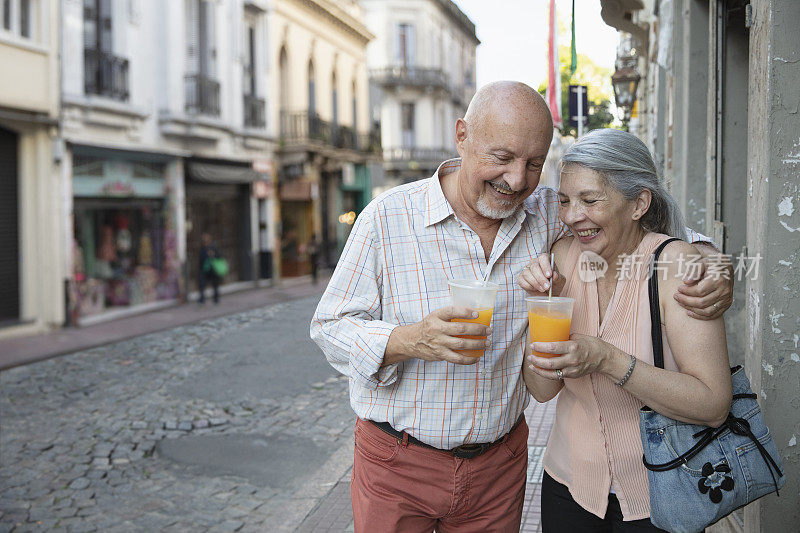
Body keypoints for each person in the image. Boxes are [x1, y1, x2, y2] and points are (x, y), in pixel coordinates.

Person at [311, 82, 732, 532]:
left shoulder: (550, 210)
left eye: (534, 163)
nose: (516, 180)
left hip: (499, 467)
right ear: (462, 136)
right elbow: (330, 326)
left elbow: (629, 221)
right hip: (398, 460)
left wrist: (710, 261)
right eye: (502, 157)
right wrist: (410, 340)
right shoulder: (387, 217)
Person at [518, 128, 733, 532]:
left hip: (664, 490)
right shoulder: (562, 259)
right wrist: (539, 313)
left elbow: (713, 404)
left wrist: (607, 359)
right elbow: (542, 390)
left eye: (589, 200)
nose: (570, 216)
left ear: (639, 204)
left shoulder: (678, 267)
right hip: (567, 485)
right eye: (564, 201)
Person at [198, 232, 220, 305]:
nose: (205, 240)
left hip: (213, 269)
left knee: (215, 285)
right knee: (202, 284)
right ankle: (202, 299)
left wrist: (213, 254)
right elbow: (200, 258)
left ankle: (216, 298)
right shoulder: (202, 247)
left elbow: (219, 256)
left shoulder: (213, 247)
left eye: (206, 238)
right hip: (204, 269)